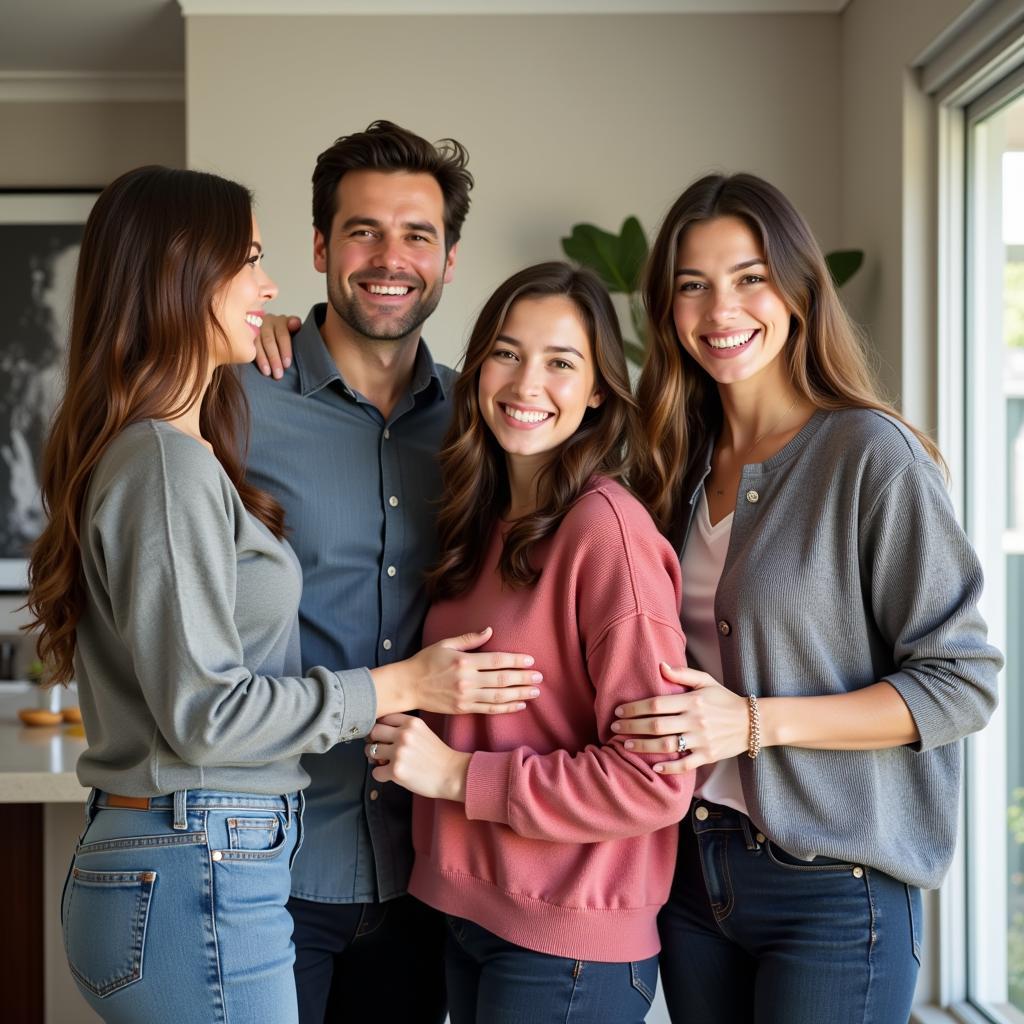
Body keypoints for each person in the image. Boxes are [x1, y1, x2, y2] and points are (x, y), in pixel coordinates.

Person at [25, 165, 538, 1024]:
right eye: (248, 259)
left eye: (418, 233)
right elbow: (204, 712)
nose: (268, 286)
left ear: (451, 258)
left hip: (328, 859)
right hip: (210, 854)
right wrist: (400, 686)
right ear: (180, 274)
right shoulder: (174, 451)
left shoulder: (471, 415)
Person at [608, 172, 1003, 1023]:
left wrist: (754, 722)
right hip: (687, 876)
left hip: (833, 889)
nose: (722, 309)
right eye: (693, 285)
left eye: (750, 277)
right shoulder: (669, 465)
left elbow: (961, 682)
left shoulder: (869, 454)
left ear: (798, 289)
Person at [245, 121, 541, 1024]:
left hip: (427, 872)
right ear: (320, 246)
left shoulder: (488, 421)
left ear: (450, 259)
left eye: (418, 234)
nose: (390, 257)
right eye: (363, 230)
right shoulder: (231, 396)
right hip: (266, 864)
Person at [363, 262, 695, 1023]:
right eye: (507, 353)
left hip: (565, 945)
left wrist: (456, 776)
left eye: (561, 362)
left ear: (600, 389)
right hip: (466, 914)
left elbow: (655, 780)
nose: (526, 383)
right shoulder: (477, 522)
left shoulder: (606, 532)